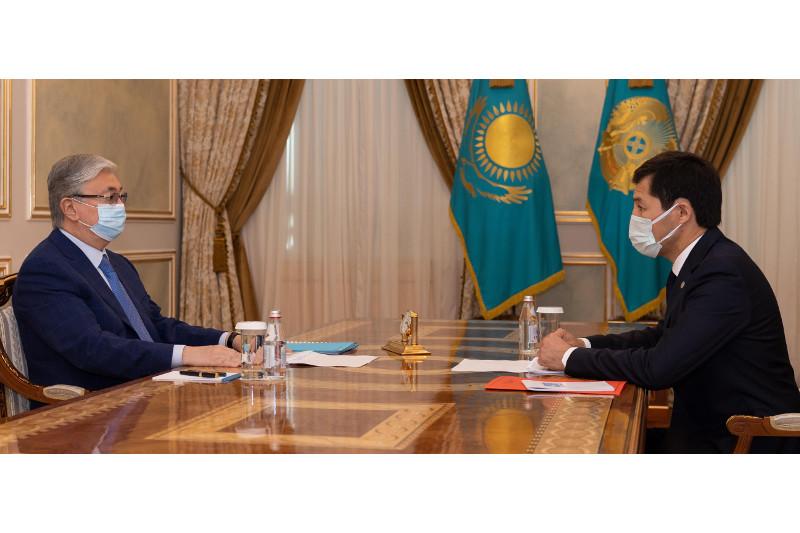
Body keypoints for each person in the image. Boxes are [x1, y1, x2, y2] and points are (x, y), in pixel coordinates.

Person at [538, 151, 800, 453]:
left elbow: (658, 368)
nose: (634, 217)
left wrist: (569, 358)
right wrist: (584, 345)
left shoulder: (722, 273)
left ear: (682, 212)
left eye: (641, 206)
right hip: (709, 430)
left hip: (744, 441)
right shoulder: (701, 261)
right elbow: (663, 337)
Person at [13, 154, 242, 401]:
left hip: (148, 392)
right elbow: (93, 349)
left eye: (122, 196)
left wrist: (228, 340)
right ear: (70, 208)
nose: (120, 206)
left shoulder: (117, 264)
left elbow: (156, 326)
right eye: (110, 197)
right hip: (90, 406)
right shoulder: (46, 269)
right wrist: (188, 355)